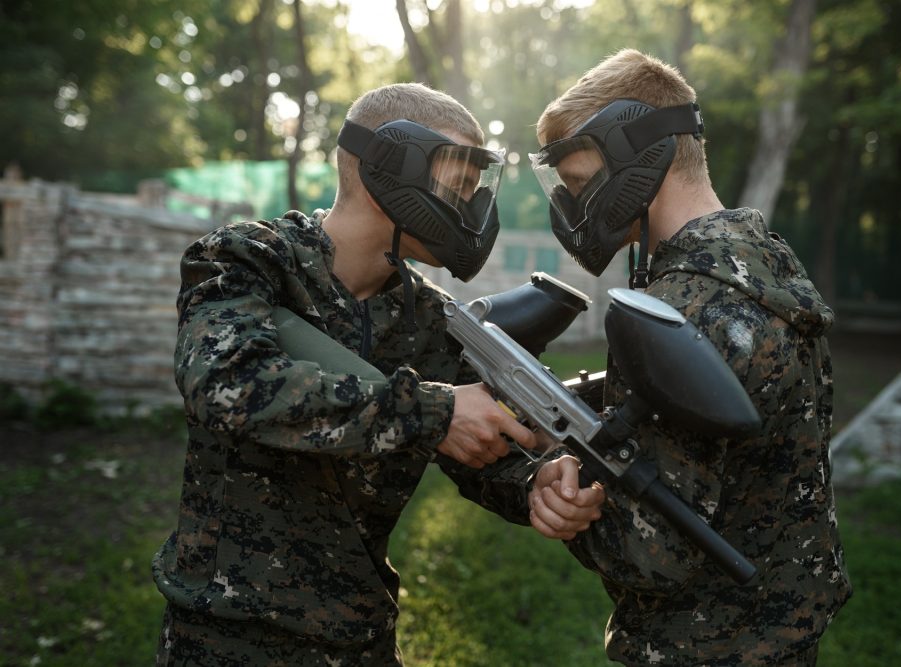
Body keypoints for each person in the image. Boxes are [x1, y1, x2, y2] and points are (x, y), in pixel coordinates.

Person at [152, 82, 604, 666]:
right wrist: (433, 413)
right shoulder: (249, 260)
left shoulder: (428, 317)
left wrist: (537, 484)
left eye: (474, 189)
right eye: (458, 186)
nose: (470, 208)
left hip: (359, 637)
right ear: (388, 166)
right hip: (226, 638)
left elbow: (479, 446)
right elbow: (227, 384)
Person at [526, 49, 852, 665]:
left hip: (698, 645)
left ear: (631, 159)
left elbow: (650, 553)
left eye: (576, 183)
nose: (572, 208)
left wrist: (535, 479)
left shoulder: (679, 309)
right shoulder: (766, 262)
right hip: (783, 633)